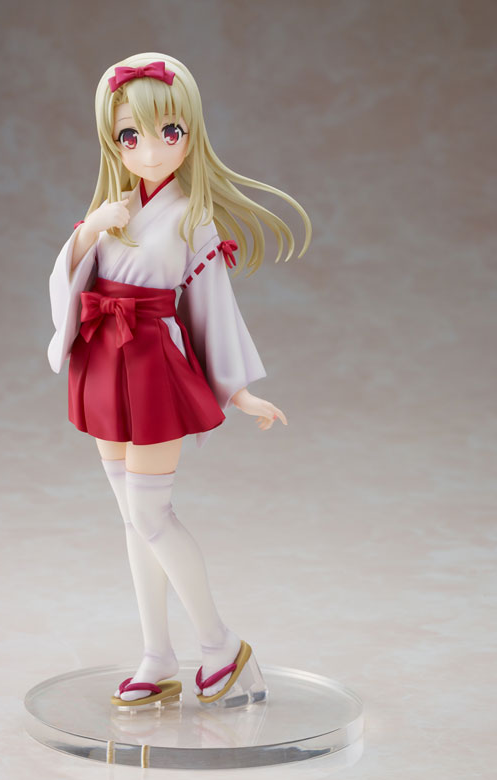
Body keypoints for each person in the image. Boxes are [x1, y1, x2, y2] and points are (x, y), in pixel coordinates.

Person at [48, 52, 311, 707]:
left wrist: (238, 388)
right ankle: (157, 656)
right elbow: (68, 281)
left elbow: (213, 306)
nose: (151, 151)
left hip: (152, 363)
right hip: (103, 357)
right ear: (112, 141)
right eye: (129, 136)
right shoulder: (112, 206)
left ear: (191, 132)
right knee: (132, 520)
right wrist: (90, 231)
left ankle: (220, 644)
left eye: (170, 132)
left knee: (150, 513)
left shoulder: (193, 216)